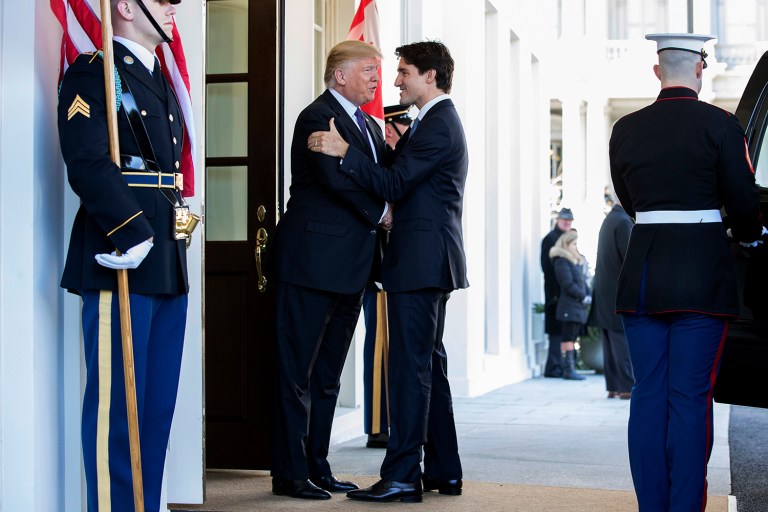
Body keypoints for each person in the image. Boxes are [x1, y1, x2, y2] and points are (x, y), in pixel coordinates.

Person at [610, 33, 764, 511]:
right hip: (702, 277)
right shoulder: (722, 125)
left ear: (657, 71)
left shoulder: (626, 129)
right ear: (700, 68)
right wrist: (748, 234)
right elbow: (744, 205)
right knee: (690, 398)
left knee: (648, 396)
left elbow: (630, 202)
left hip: (643, 275)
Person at [309, 40, 468, 503]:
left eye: (403, 72)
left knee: (409, 371)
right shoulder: (432, 122)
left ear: (430, 76)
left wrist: (346, 150)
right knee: (429, 366)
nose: (395, 81)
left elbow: (396, 184)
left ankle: (401, 477)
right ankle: (445, 470)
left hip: (421, 263)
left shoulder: (439, 123)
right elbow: (404, 173)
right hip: (427, 261)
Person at [57, 1, 189, 510]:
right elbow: (87, 159)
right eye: (162, 2)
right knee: (117, 410)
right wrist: (132, 233)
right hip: (123, 249)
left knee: (155, 410)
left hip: (165, 255)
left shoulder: (159, 77)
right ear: (127, 8)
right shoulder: (94, 72)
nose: (172, 10)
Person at [265, 40, 392, 500]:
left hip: (353, 269)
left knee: (328, 376)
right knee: (296, 373)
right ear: (340, 74)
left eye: (378, 70)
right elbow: (337, 181)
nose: (377, 78)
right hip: (309, 264)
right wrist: (383, 212)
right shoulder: (317, 117)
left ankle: (318, 466)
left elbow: (381, 178)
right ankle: (290, 473)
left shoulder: (370, 127)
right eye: (368, 69)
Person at [362, 104, 412, 450]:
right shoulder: (384, 162)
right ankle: (379, 423)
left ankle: (387, 420)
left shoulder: (396, 161)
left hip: (394, 265)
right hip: (379, 265)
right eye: (400, 127)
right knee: (380, 345)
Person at [589, 200, 634, 399]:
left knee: (610, 343)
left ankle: (614, 387)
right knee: (621, 342)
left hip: (604, 293)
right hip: (617, 293)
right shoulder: (623, 221)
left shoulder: (610, 219)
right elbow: (630, 259)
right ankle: (626, 387)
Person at [548, 230, 589, 381]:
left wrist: (588, 293)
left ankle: (570, 369)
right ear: (565, 244)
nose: (575, 247)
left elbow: (582, 282)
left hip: (575, 307)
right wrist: (583, 295)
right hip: (568, 307)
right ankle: (569, 370)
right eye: (573, 244)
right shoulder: (561, 262)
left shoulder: (573, 261)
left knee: (571, 337)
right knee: (568, 338)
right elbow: (567, 284)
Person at [540, 207, 574, 377]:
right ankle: (553, 367)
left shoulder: (565, 239)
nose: (567, 222)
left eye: (569, 220)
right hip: (555, 293)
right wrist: (555, 293)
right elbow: (547, 268)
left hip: (563, 293)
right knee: (555, 329)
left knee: (561, 330)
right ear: (558, 220)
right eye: (564, 219)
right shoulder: (550, 239)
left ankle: (557, 366)